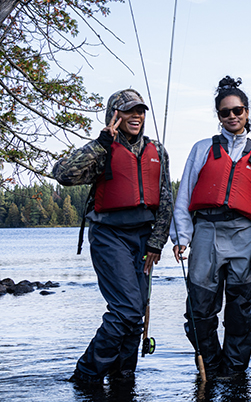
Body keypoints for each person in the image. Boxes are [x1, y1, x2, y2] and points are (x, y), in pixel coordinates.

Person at [52, 89, 172, 385]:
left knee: (137, 311)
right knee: (127, 308)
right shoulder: (102, 149)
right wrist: (101, 142)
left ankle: (122, 376)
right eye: (129, 111)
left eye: (140, 111)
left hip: (144, 239)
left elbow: (166, 198)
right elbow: (63, 174)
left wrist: (157, 241)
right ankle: (87, 374)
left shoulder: (158, 150)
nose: (137, 116)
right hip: (109, 236)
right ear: (114, 116)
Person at [171, 76, 251, 375]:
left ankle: (235, 373)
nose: (232, 116)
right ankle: (210, 368)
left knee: (240, 312)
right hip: (206, 233)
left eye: (237, 110)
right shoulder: (202, 149)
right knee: (200, 310)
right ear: (218, 116)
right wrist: (182, 236)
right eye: (225, 112)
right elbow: (184, 194)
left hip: (244, 236)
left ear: (247, 113)